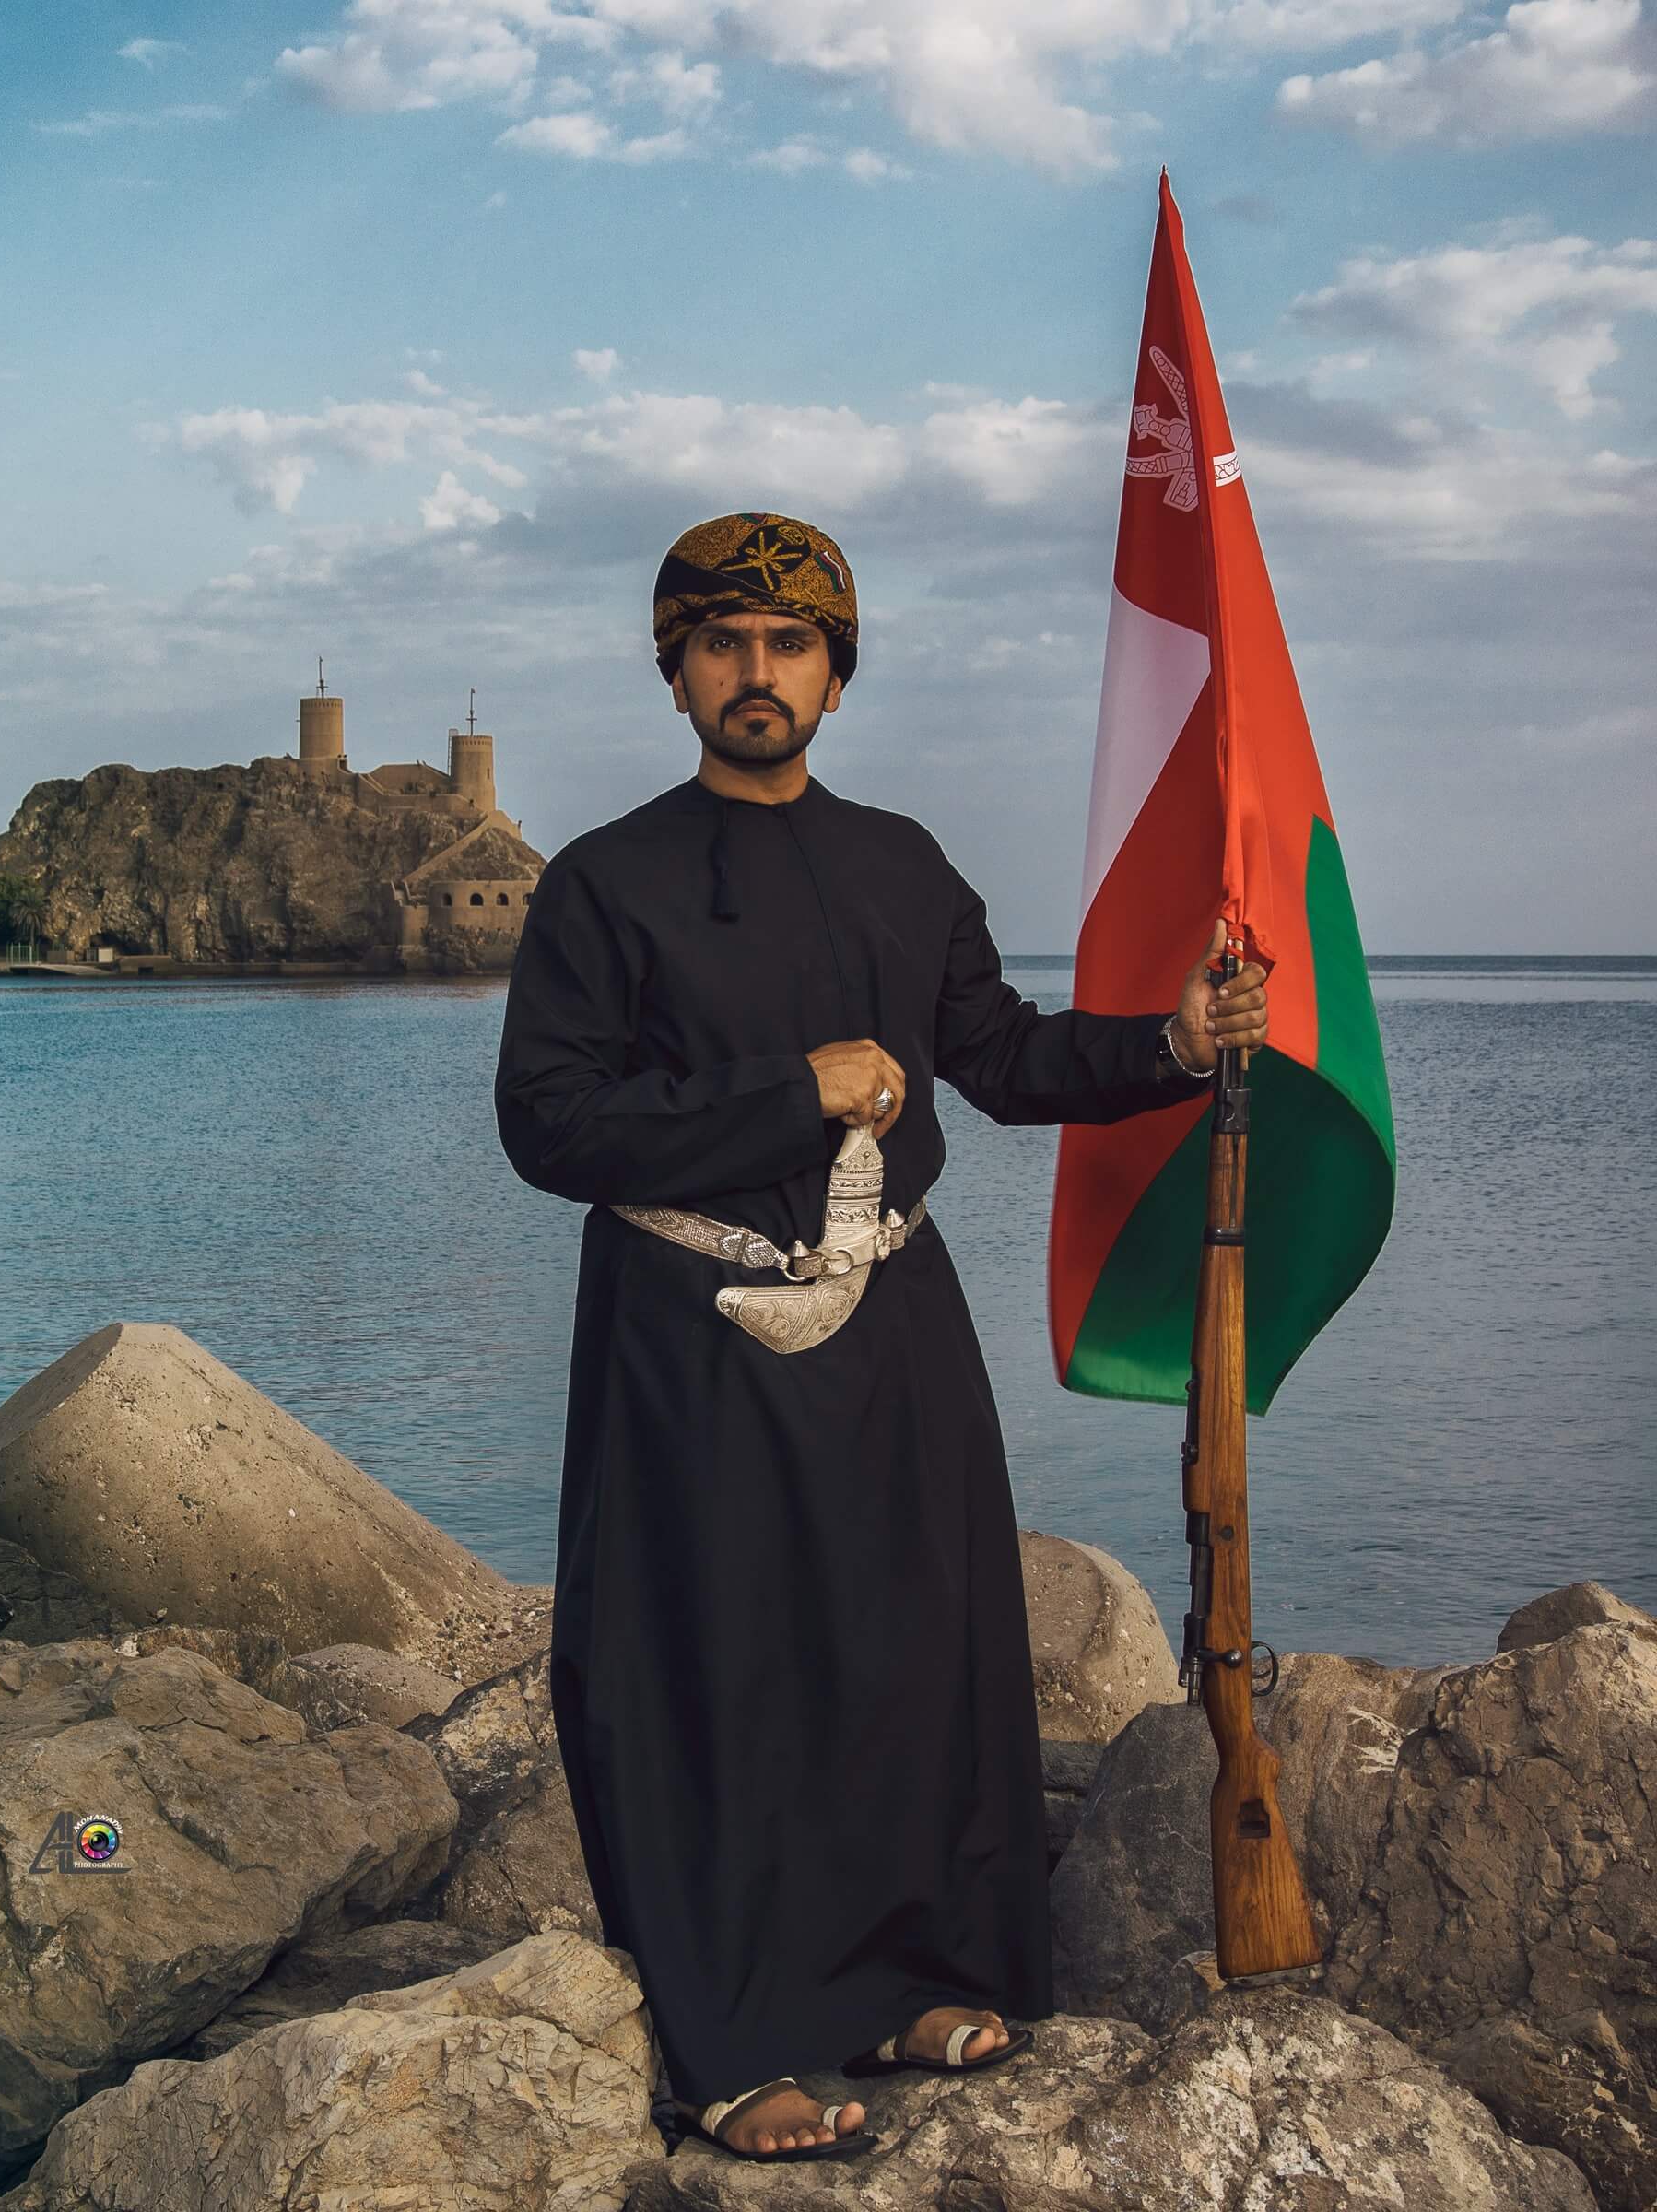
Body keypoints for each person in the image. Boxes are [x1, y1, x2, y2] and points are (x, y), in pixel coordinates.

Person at [491, 511, 1269, 2164]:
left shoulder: (906, 867)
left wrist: (1177, 1040)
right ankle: (733, 2038)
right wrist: (798, 1088)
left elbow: (1007, 1058)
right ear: (676, 670)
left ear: (837, 678)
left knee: (917, 1651)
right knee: (716, 1673)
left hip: (894, 1313)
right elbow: (550, 1127)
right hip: (687, 1331)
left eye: (790, 646)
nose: (756, 674)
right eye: (723, 644)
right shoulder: (603, 883)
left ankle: (919, 1974)